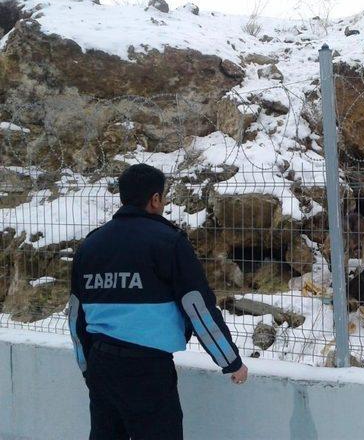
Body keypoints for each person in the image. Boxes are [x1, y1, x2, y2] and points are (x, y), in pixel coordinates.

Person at [68, 163, 248, 440]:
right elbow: (197, 308)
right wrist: (231, 361)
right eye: (162, 197)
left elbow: (75, 316)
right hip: (147, 369)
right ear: (155, 199)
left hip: (101, 365)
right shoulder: (168, 242)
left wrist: (87, 367)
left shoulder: (91, 246)